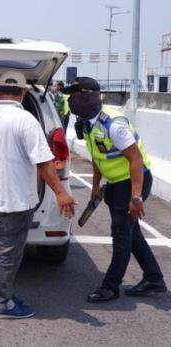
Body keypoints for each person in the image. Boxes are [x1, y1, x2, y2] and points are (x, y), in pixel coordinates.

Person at [0, 71, 75, 319]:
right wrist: (61, 193)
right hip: (16, 200)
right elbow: (44, 162)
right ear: (24, 92)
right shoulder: (26, 121)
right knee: (9, 251)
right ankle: (2, 303)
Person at [62, 77, 166, 303]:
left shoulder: (113, 123)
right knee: (132, 233)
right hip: (116, 183)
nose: (71, 100)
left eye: (75, 95)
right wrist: (96, 186)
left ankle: (110, 286)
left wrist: (136, 197)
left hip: (132, 182)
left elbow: (136, 160)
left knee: (121, 235)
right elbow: (98, 156)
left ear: (89, 96)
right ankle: (154, 279)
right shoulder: (88, 121)